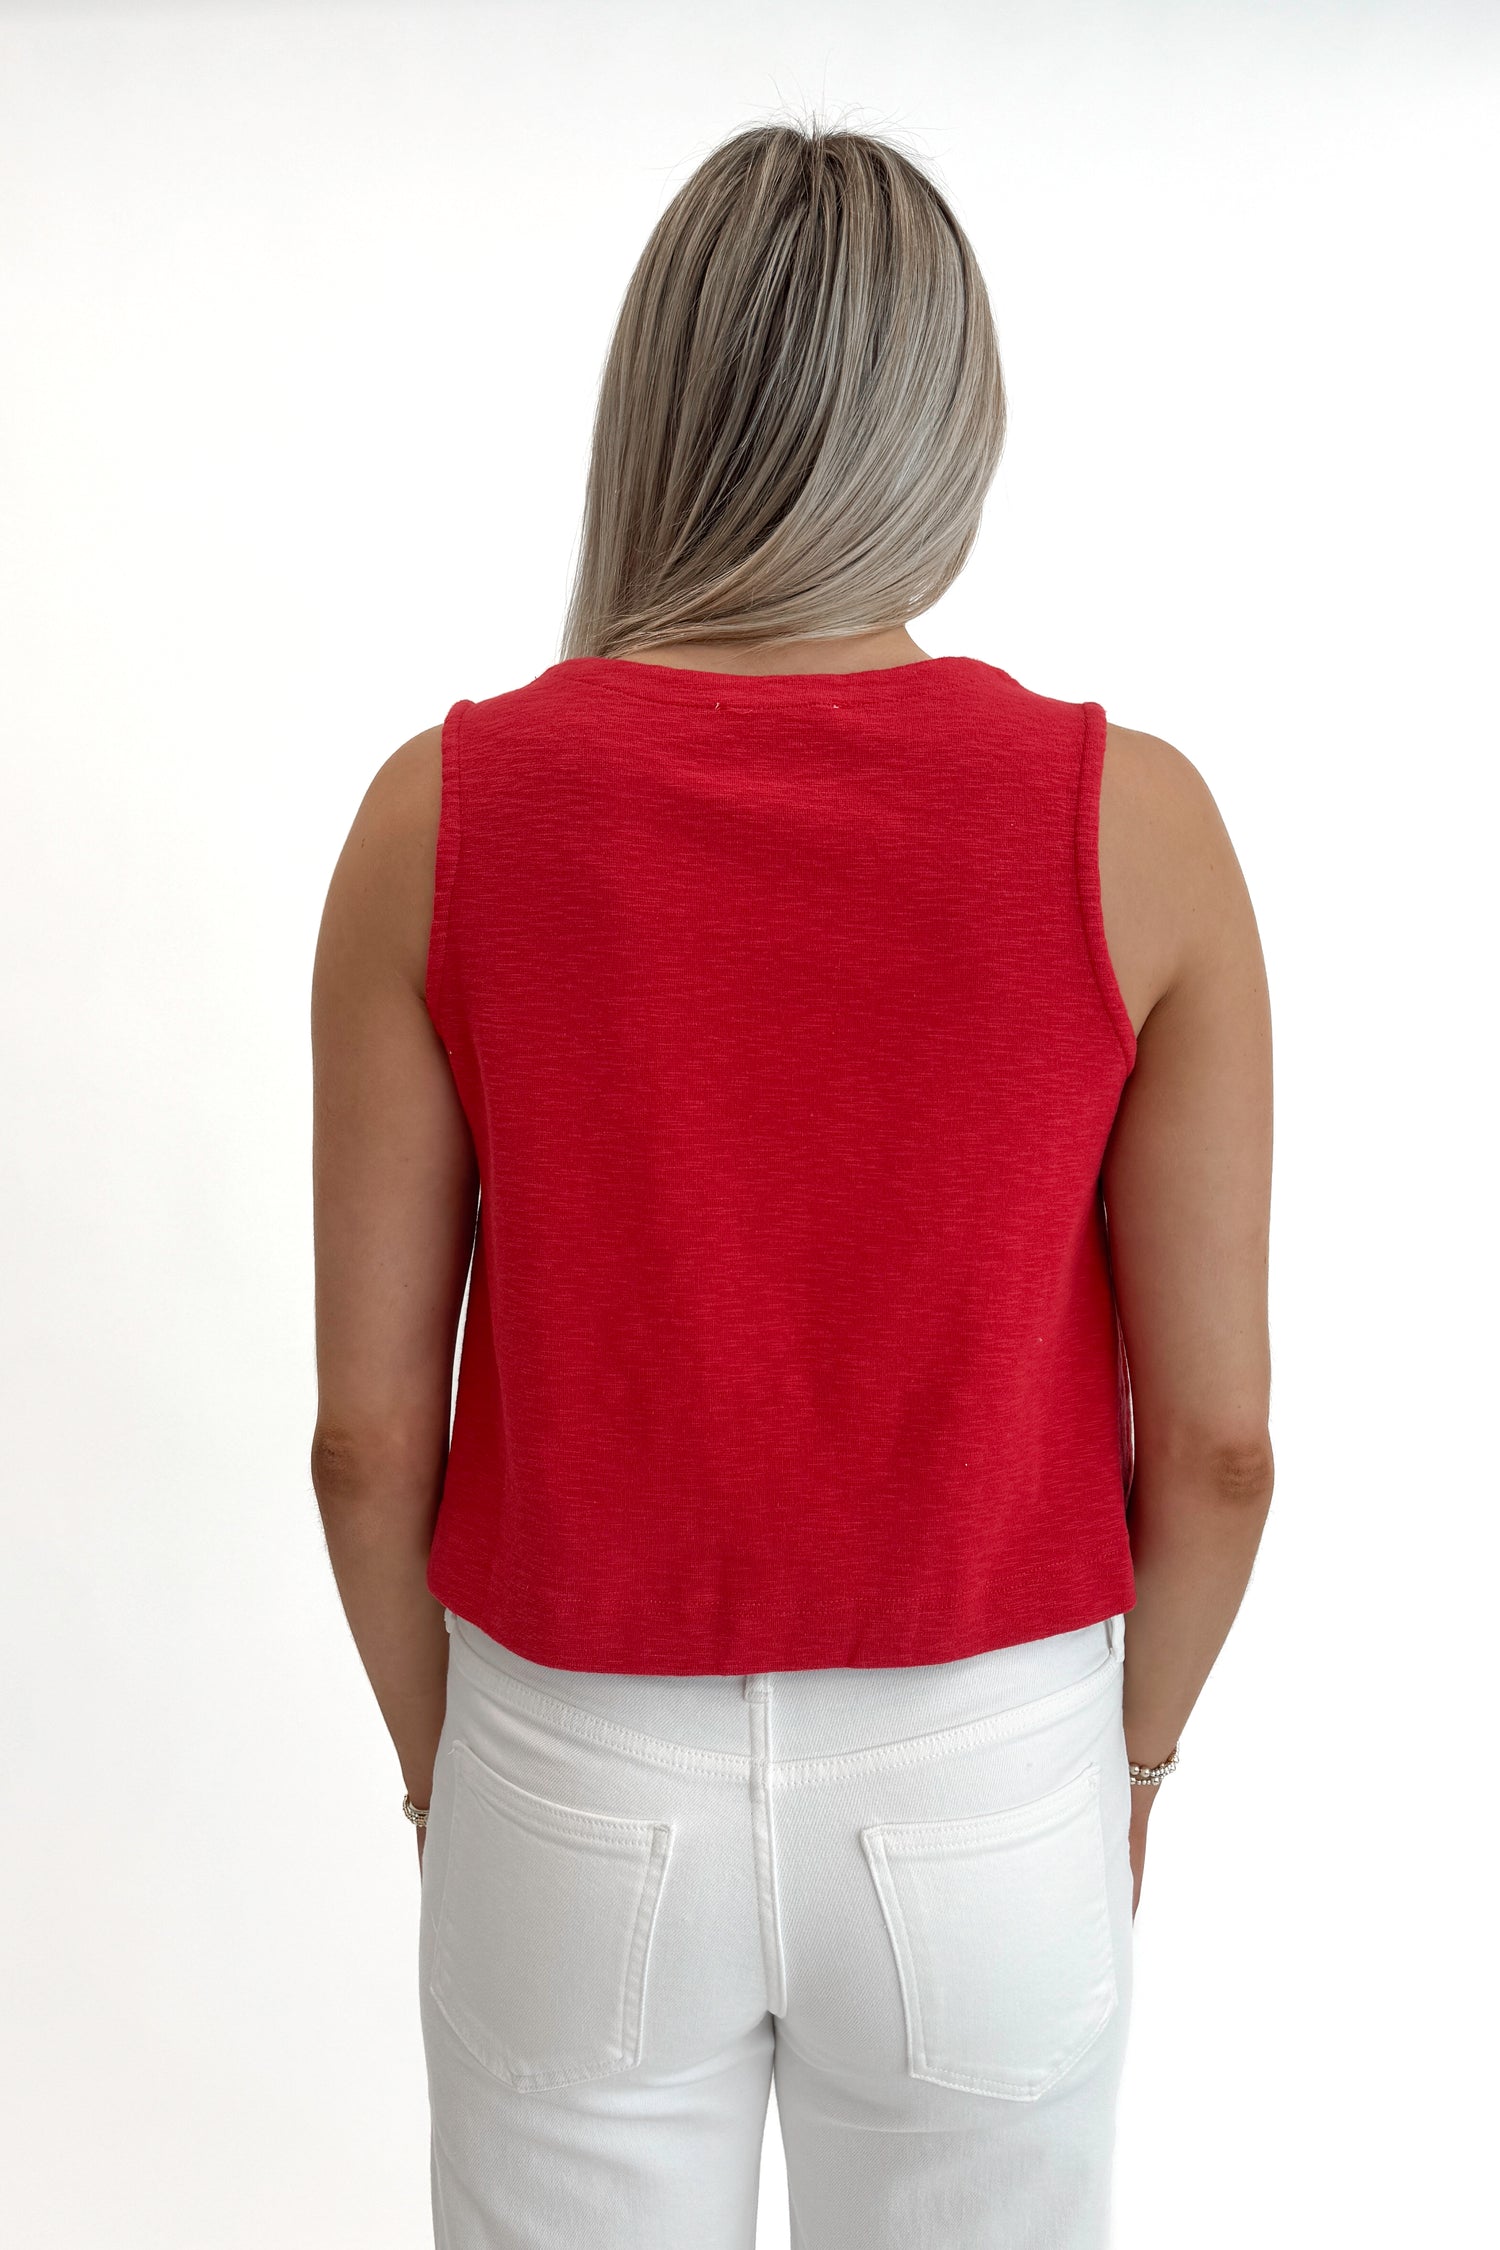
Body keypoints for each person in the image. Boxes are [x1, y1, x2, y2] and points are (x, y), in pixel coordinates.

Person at [310, 117, 1273, 2250]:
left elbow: (371, 1441)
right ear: (954, 430)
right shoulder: (1136, 824)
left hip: (571, 1762)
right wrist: (1128, 1770)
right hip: (989, 1766)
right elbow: (1214, 1449)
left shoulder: (441, 816)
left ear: (661, 408)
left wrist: (438, 1779)